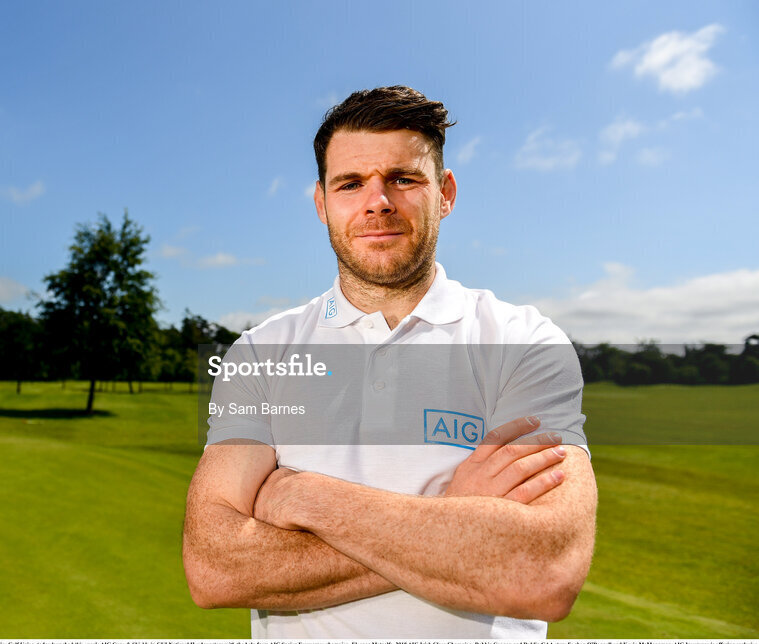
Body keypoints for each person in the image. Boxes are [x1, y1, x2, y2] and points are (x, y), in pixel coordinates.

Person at [182, 86, 597, 639]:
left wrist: (304, 496)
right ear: (321, 202)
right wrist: (455, 515)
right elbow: (215, 569)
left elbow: (542, 571)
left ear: (445, 193)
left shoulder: (524, 340)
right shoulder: (262, 353)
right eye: (350, 184)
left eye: (403, 178)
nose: (377, 201)